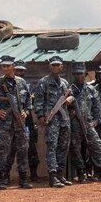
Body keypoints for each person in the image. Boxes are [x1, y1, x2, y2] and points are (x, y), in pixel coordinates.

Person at [0, 55, 32, 189]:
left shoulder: (22, 82)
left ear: (13, 66)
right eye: (3, 66)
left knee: (23, 150)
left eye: (8, 66)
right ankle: (0, 180)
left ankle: (23, 180)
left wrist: (26, 110)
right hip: (5, 124)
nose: (6, 68)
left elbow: (28, 100)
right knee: (3, 150)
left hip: (20, 123)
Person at [68, 63, 101, 183]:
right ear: (74, 75)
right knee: (76, 149)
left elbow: (97, 108)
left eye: (82, 74)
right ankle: (81, 174)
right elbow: (62, 107)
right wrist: (70, 114)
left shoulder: (91, 89)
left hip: (89, 124)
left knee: (97, 146)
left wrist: (95, 121)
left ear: (86, 75)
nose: (79, 76)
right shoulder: (69, 89)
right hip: (74, 124)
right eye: (77, 74)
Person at [32, 56, 74, 188]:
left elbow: (72, 96)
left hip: (64, 119)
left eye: (58, 65)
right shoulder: (43, 82)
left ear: (61, 67)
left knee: (63, 147)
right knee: (52, 147)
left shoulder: (65, 83)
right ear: (50, 66)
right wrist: (40, 116)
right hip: (52, 119)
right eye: (53, 65)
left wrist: (70, 99)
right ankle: (53, 176)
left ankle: (61, 174)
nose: (56, 67)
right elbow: (38, 101)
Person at [14, 60, 41, 181]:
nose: (19, 73)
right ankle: (3, 177)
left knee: (31, 149)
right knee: (8, 150)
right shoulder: (6, 84)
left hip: (27, 121)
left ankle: (33, 174)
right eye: (17, 70)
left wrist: (32, 99)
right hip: (11, 121)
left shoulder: (29, 86)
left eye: (21, 71)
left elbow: (35, 100)